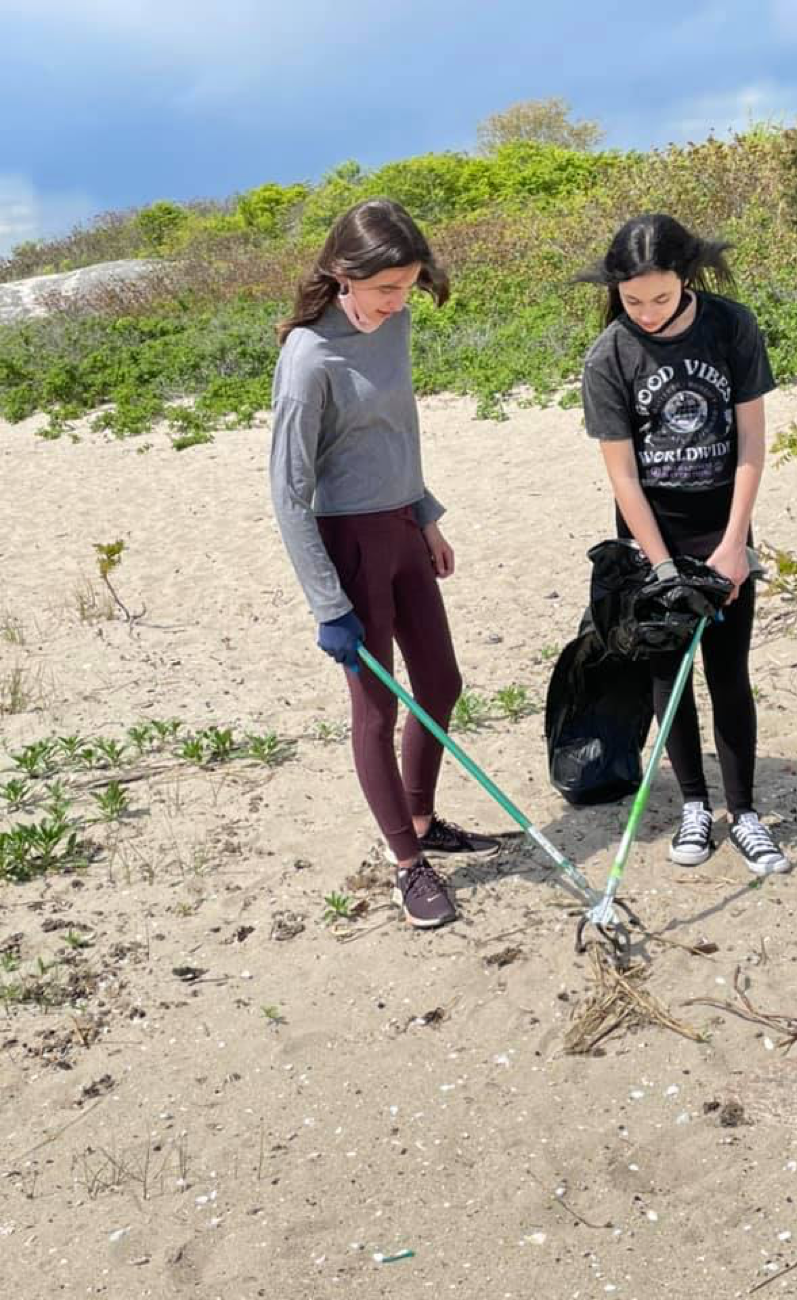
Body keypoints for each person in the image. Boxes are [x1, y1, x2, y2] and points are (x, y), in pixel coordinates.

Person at [270, 198, 497, 930]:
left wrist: (425, 515)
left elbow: (398, 429)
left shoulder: (394, 325)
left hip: (404, 526)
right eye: (385, 289)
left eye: (407, 286)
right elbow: (289, 491)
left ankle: (425, 820)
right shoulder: (308, 357)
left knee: (441, 682)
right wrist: (327, 605)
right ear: (342, 275)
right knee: (376, 706)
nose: (399, 302)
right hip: (350, 544)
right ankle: (406, 864)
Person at [577, 212, 790, 876]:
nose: (645, 312)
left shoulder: (731, 325)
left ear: (686, 277)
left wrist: (734, 544)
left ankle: (745, 812)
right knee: (669, 675)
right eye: (631, 299)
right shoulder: (609, 354)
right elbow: (622, 475)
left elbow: (752, 440)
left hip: (722, 519)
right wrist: (663, 566)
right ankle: (694, 805)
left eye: (660, 298)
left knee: (729, 671)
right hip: (650, 531)